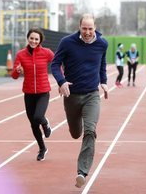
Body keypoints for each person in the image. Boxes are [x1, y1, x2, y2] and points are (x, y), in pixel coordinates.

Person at [51, 13, 108, 188]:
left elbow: (102, 65)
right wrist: (61, 82)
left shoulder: (102, 43)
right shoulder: (67, 42)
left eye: (90, 28)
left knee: (90, 131)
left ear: (95, 27)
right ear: (79, 26)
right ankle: (78, 126)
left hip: (92, 95)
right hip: (72, 96)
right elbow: (55, 64)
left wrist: (104, 82)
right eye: (84, 28)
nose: (88, 32)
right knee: (76, 133)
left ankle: (81, 172)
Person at [11, 28, 54, 161]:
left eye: (36, 39)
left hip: (43, 92)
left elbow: (58, 62)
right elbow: (13, 75)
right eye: (31, 38)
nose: (33, 41)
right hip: (29, 93)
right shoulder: (21, 54)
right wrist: (17, 71)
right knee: (34, 124)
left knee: (38, 117)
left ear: (40, 40)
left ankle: (45, 123)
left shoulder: (46, 53)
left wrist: (63, 77)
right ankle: (42, 148)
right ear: (28, 38)